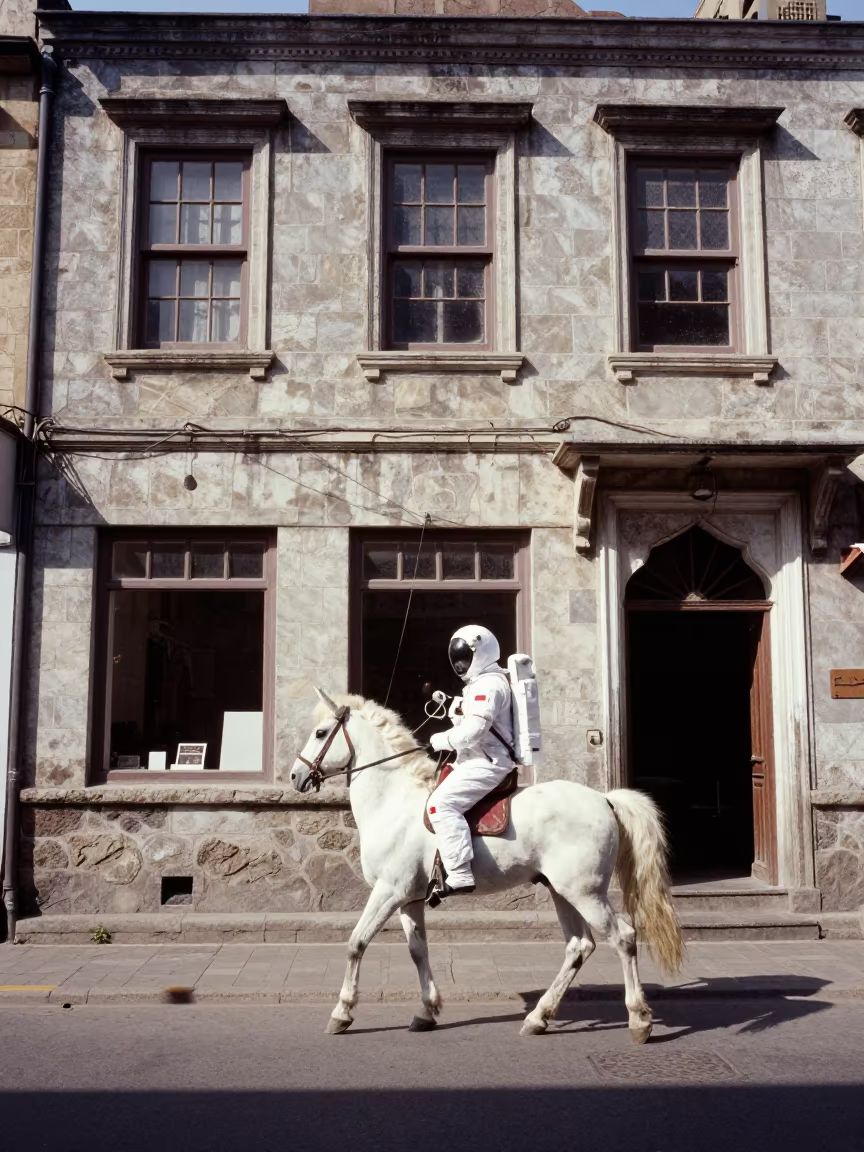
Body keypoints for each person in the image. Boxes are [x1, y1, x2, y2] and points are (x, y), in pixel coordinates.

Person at [427, 624, 514, 897]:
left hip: (487, 762)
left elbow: (474, 731)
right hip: (474, 758)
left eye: (465, 658)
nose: (460, 664)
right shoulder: (482, 682)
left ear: (482, 652)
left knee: (440, 806)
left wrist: (439, 740)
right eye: (457, 659)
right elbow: (472, 710)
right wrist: (450, 703)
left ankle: (460, 873)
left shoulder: (488, 685)